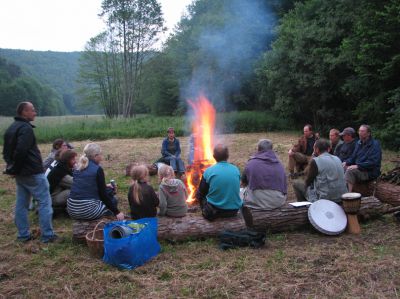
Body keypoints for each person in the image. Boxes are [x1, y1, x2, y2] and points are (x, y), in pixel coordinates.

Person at [2, 101, 58, 243]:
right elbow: (21, 151)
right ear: (24, 112)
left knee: (21, 204)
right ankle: (47, 235)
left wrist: (12, 168)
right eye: (32, 110)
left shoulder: (11, 128)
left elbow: (6, 152)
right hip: (32, 173)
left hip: (21, 174)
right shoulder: (25, 128)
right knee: (45, 202)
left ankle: (23, 235)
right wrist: (14, 168)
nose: (35, 112)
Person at [67, 143, 124, 220]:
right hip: (88, 211)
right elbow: (103, 195)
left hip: (72, 209)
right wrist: (117, 212)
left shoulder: (77, 167)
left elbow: (85, 185)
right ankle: (107, 214)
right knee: (113, 200)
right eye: (101, 154)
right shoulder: (98, 169)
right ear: (95, 156)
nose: (102, 157)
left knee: (108, 191)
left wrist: (105, 186)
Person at [195, 144, 242, 221]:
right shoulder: (236, 169)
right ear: (227, 156)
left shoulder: (209, 171)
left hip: (215, 211)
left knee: (199, 194)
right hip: (234, 211)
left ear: (214, 156)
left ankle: (205, 212)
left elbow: (201, 193)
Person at [293, 139, 347, 203]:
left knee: (296, 183)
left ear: (317, 149)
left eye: (314, 148)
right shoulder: (337, 158)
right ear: (328, 149)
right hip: (342, 196)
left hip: (326, 198)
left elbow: (308, 181)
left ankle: (305, 206)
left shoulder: (316, 161)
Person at [241, 139, 287, 210]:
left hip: (258, 202)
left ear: (258, 149)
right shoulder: (279, 164)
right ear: (271, 149)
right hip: (278, 201)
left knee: (241, 192)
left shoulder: (251, 163)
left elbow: (243, 182)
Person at [343, 125, 382, 192]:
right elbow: (353, 157)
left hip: (369, 172)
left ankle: (347, 195)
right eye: (359, 131)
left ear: (368, 133)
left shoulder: (375, 145)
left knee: (350, 171)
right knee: (343, 167)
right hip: (360, 169)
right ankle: (339, 191)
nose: (360, 133)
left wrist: (358, 166)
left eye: (362, 131)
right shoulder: (358, 143)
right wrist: (346, 162)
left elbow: (373, 162)